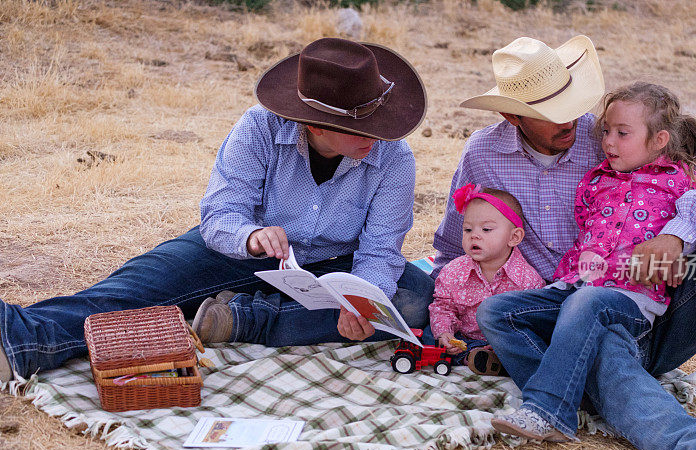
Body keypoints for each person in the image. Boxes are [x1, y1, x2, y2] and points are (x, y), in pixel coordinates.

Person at [435, 35, 696, 450]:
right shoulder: (482, 155)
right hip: (570, 313)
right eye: (548, 112)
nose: (569, 120)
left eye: (569, 104)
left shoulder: (610, 135)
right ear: (512, 116)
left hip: (652, 303)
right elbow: (447, 251)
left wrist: (676, 235)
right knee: (581, 319)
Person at [0, 37, 434, 380]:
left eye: (381, 123)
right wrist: (250, 236)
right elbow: (221, 214)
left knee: (415, 301)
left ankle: (239, 318)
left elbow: (380, 252)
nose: (378, 135)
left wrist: (359, 300)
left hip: (335, 266)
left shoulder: (394, 157)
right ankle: (24, 338)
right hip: (238, 249)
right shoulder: (259, 127)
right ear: (316, 124)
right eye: (362, 127)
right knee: (137, 290)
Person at [427, 185, 544, 368]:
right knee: (429, 333)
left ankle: (491, 360)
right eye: (467, 230)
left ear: (514, 237)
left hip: (505, 343)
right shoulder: (453, 271)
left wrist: (508, 342)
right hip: (463, 340)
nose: (475, 236)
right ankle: (476, 358)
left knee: (532, 344)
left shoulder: (528, 280)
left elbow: (532, 321)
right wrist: (445, 333)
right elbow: (443, 307)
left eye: (486, 229)